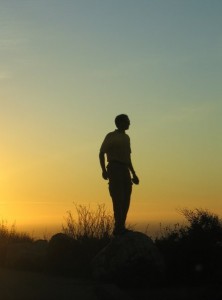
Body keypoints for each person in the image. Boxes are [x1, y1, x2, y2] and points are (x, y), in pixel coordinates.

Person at [99, 114, 139, 235]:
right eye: (127, 121)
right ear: (120, 123)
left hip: (125, 169)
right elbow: (101, 153)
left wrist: (134, 173)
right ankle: (118, 227)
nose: (129, 123)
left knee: (126, 198)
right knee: (118, 198)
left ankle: (121, 225)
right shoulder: (111, 136)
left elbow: (128, 157)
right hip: (114, 168)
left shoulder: (127, 138)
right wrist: (103, 170)